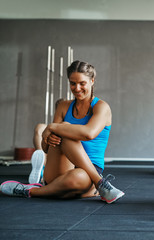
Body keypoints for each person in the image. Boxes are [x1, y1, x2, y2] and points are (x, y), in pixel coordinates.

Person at [0, 60, 125, 203]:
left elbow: (88, 133)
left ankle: (30, 191)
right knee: (65, 129)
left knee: (74, 177)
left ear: (92, 81)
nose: (77, 88)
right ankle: (100, 185)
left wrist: (53, 127)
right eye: (73, 83)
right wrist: (47, 135)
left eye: (82, 83)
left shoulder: (101, 107)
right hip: (60, 168)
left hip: (89, 171)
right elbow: (46, 148)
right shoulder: (64, 106)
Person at [29, 98, 64, 184]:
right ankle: (41, 164)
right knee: (40, 127)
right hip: (47, 154)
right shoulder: (51, 126)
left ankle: (46, 172)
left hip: (62, 158)